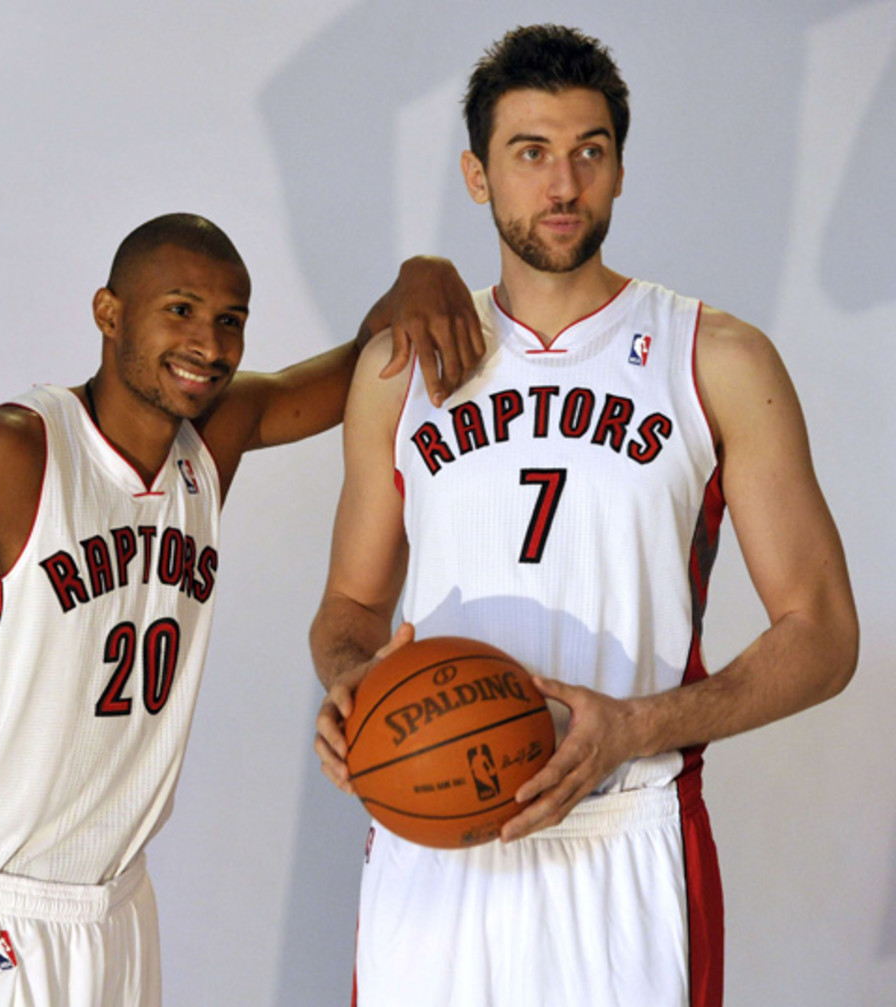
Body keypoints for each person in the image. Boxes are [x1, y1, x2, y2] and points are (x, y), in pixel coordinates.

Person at [0, 212, 483, 1007]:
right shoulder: (8, 455)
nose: (209, 344)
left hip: (118, 913)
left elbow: (369, 361)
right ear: (109, 312)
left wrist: (419, 273)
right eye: (180, 309)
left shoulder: (209, 443)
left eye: (231, 320)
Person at [310, 25, 858, 1007]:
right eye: (531, 153)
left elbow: (822, 635)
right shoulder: (400, 372)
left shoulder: (717, 360)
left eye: (588, 152)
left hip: (626, 841)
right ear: (477, 175)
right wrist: (356, 685)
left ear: (619, 168)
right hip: (432, 848)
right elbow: (350, 606)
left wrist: (638, 725)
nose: (563, 185)